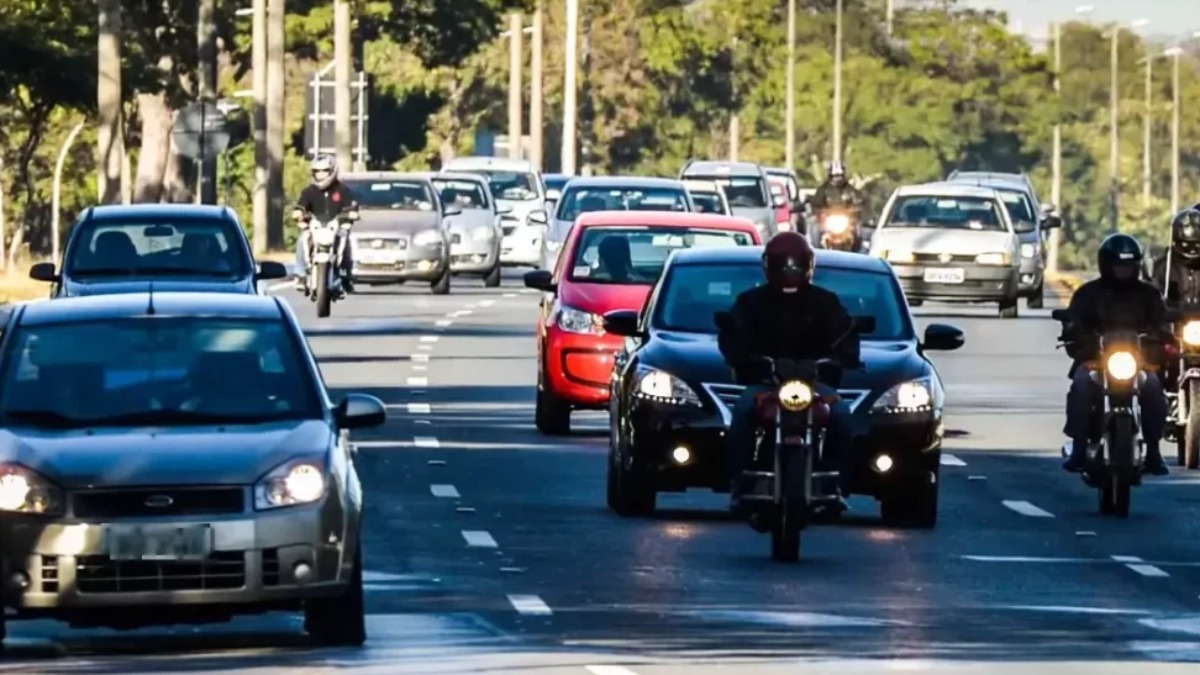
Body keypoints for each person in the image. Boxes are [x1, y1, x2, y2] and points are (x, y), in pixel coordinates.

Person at [718, 231, 859, 516]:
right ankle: (739, 482)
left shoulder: (827, 303)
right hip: (765, 384)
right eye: (783, 264)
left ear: (809, 265)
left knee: (842, 417)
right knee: (743, 413)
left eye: (796, 264)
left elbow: (845, 337)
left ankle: (836, 485)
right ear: (768, 265)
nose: (790, 271)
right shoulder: (750, 303)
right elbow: (732, 338)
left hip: (814, 385)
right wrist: (753, 362)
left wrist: (837, 360)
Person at [1059, 233, 1170, 475]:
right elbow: (1074, 321)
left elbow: (1162, 322)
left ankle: (1153, 451)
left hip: (1137, 362)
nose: (1124, 271)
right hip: (1096, 361)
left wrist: (1162, 336)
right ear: (1106, 265)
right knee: (1080, 385)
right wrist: (1075, 333)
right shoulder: (1088, 294)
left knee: (1153, 388)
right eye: (1119, 266)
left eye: (1128, 266)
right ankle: (1079, 448)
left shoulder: (1148, 295)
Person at [292, 154, 359, 293]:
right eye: (317, 171)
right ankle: (301, 275)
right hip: (315, 227)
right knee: (301, 240)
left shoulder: (342, 190)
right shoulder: (309, 191)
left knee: (345, 242)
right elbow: (301, 206)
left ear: (332, 171)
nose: (320, 174)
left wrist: (351, 213)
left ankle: (346, 276)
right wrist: (299, 213)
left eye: (324, 171)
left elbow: (351, 206)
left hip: (337, 227)